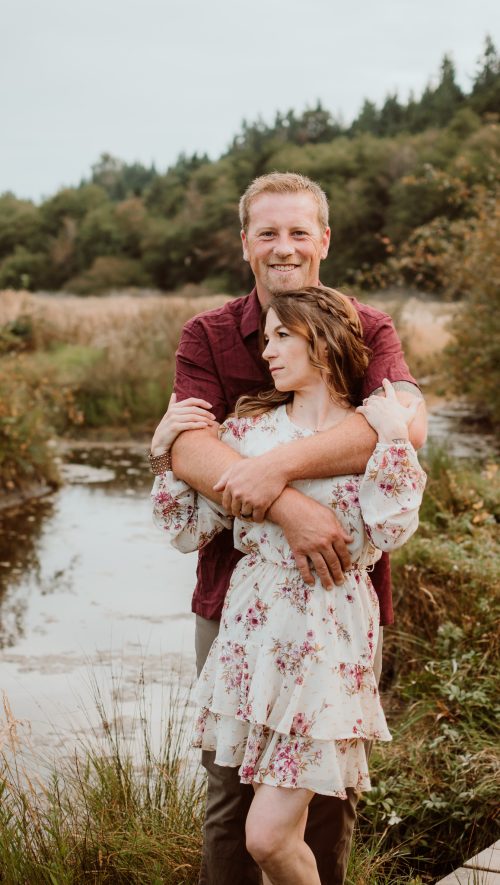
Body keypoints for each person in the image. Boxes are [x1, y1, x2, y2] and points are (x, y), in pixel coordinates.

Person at [149, 172, 427, 885]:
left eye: (299, 230)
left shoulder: (366, 327)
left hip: (334, 604)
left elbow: (406, 426)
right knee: (230, 797)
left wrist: (276, 473)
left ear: (324, 239)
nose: (284, 246)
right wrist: (285, 504)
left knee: (327, 800)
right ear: (245, 242)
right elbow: (192, 450)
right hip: (238, 608)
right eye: (267, 232)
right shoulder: (208, 334)